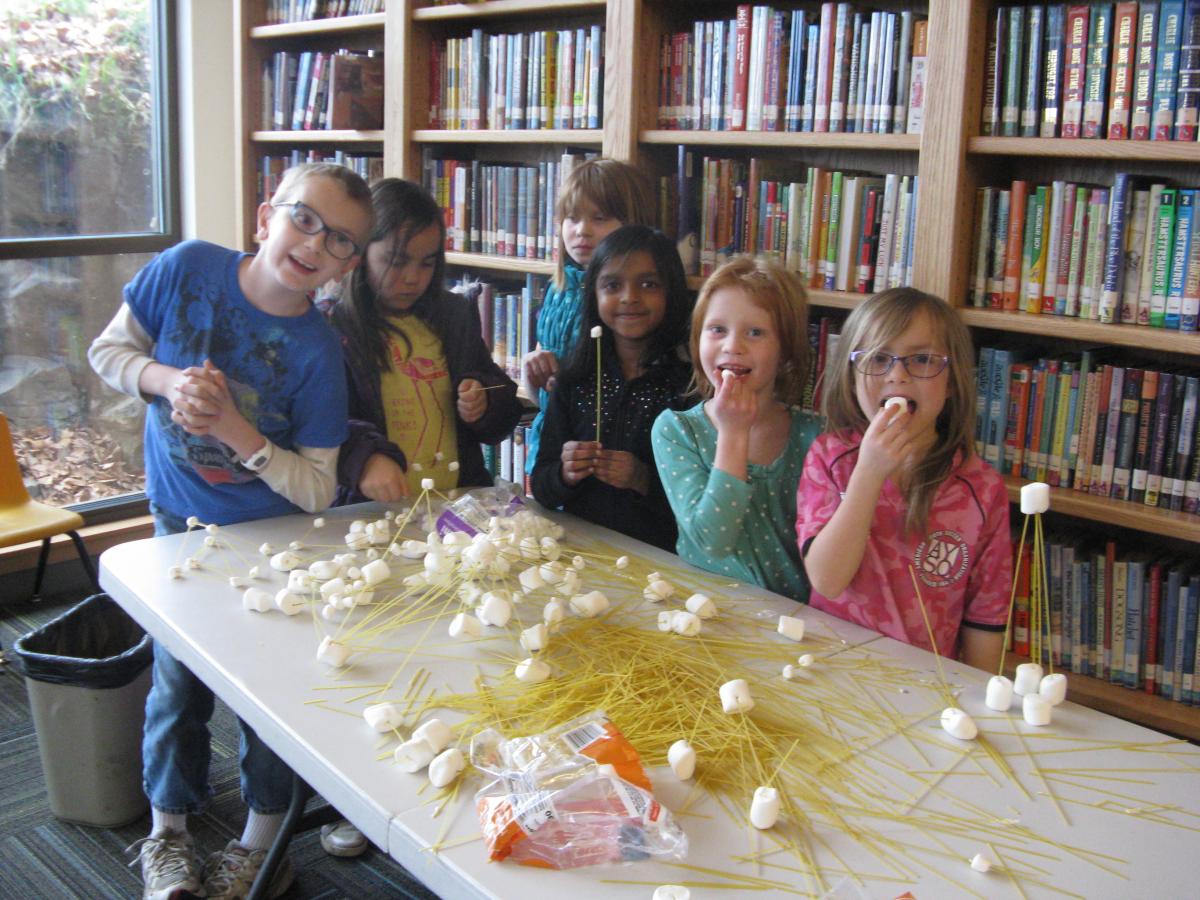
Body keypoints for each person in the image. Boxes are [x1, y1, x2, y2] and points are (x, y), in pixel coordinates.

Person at [88, 162, 373, 900]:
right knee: (176, 685)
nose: (315, 244)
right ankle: (169, 830)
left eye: (340, 240)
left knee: (266, 698)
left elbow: (315, 487)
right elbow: (108, 352)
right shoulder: (186, 270)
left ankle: (258, 840)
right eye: (305, 218)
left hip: (269, 550)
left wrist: (242, 433)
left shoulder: (316, 351)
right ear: (264, 217)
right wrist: (165, 382)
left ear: (345, 267)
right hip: (176, 532)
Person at [796, 288, 1011, 672]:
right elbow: (827, 579)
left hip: (927, 683)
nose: (897, 374)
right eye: (878, 358)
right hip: (829, 670)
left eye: (922, 359)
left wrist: (983, 697)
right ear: (850, 375)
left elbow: (986, 615)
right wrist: (869, 473)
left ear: (953, 378)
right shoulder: (829, 460)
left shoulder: (981, 487)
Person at [329, 178, 522, 504]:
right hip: (371, 513)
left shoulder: (454, 315)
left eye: (427, 263)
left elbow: (501, 402)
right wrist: (365, 458)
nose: (412, 277)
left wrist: (485, 403)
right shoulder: (334, 327)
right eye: (396, 261)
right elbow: (326, 426)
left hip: (457, 506)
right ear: (360, 252)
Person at [652, 258, 822, 600]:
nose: (733, 346)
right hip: (704, 613)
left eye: (755, 332)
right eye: (717, 330)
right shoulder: (677, 430)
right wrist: (733, 434)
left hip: (792, 623)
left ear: (785, 349)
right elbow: (711, 541)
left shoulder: (815, 437)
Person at [531, 225, 693, 552]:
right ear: (595, 294)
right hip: (582, 555)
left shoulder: (688, 391)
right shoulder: (573, 381)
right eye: (612, 285)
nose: (629, 297)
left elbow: (697, 509)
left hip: (659, 562)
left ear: (671, 292)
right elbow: (542, 487)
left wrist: (642, 479)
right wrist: (565, 473)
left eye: (648, 284)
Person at [520, 158, 655, 475]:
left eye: (599, 218)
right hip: (552, 442)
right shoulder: (558, 289)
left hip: (599, 445)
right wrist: (534, 376)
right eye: (571, 218)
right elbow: (545, 397)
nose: (581, 230)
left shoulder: (629, 304)